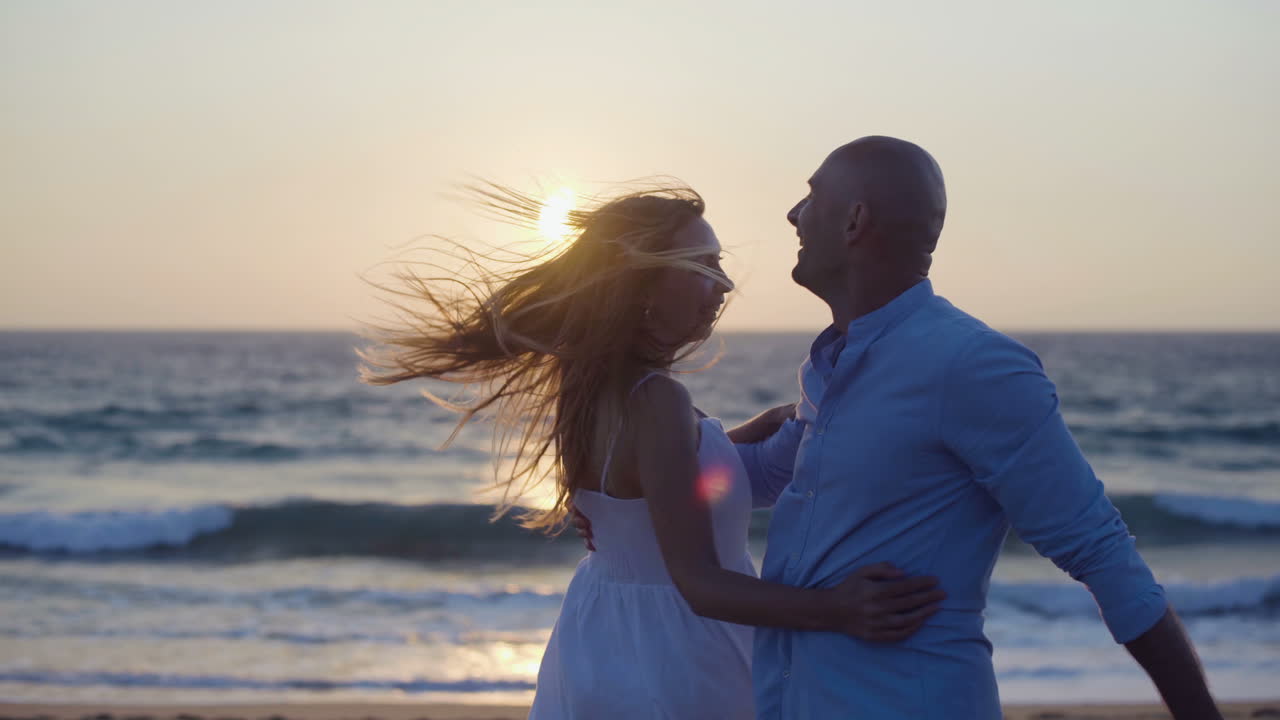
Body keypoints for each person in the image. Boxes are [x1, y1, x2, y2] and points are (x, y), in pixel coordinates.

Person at [360, 183, 944, 719]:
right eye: (704, 266)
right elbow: (700, 584)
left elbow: (642, 492)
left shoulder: (588, 384)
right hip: (677, 656)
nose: (724, 285)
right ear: (643, 282)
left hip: (605, 639)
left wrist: (731, 439)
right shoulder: (659, 400)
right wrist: (839, 610)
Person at [736, 136, 1222, 719]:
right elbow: (755, 475)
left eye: (811, 195)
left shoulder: (970, 365)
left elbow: (1102, 553)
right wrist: (612, 469)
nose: (793, 214)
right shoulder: (834, 368)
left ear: (855, 220)